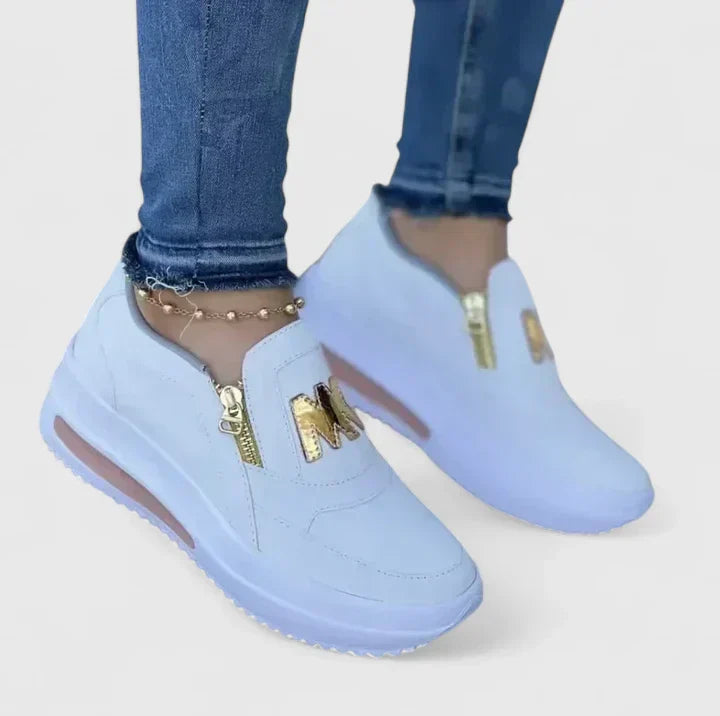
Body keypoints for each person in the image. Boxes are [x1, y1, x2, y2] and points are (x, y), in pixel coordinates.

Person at [41, 0, 653, 655]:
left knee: (457, 191)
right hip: (197, 309)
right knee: (211, 259)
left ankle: (441, 239)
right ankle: (198, 299)